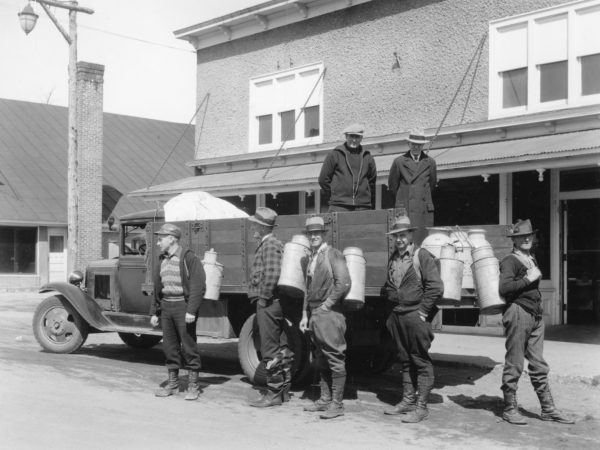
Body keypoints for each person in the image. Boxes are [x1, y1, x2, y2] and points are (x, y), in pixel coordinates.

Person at [499, 219, 574, 425]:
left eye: (529, 235)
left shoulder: (531, 258)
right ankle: (509, 408)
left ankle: (548, 409)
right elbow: (504, 288)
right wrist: (529, 279)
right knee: (515, 362)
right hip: (518, 312)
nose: (526, 239)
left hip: (535, 314)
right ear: (514, 240)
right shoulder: (510, 261)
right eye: (521, 236)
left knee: (539, 363)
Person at [382, 215, 442, 423]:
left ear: (410, 235)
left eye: (403, 235)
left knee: (420, 360)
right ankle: (407, 400)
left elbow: (435, 287)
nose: (399, 239)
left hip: (416, 315)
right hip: (398, 315)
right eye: (396, 235)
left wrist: (423, 311)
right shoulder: (394, 258)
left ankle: (421, 407)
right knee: (405, 360)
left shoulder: (421, 255)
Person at [299, 216, 351, 419]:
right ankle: (324, 400)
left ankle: (336, 404)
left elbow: (344, 283)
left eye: (317, 233)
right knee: (321, 357)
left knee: (335, 358)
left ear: (323, 235)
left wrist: (327, 305)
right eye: (310, 234)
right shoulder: (312, 257)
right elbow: (307, 288)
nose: (313, 236)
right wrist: (305, 313)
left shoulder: (333, 254)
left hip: (329, 314)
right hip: (315, 314)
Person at [150, 223, 205, 400]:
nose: (158, 243)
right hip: (166, 306)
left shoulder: (189, 258)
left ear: (172, 239)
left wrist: (191, 310)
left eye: (161, 239)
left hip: (183, 306)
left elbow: (198, 286)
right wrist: (154, 312)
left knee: (189, 347)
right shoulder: (162, 259)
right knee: (169, 347)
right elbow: (157, 286)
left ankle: (193, 386)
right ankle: (173, 384)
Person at [247, 207, 293, 407]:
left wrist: (263, 298)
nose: (253, 228)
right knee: (281, 347)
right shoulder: (269, 243)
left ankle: (273, 394)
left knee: (270, 349)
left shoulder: (270, 244)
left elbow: (272, 273)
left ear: (262, 227)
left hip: (269, 303)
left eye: (255, 225)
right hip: (274, 303)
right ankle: (283, 392)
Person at [387, 128, 437, 245]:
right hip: (406, 208)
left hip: (423, 209)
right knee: (405, 241)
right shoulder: (399, 162)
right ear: (409, 144)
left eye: (419, 145)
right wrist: (402, 200)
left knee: (424, 243)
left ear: (423, 145)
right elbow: (392, 186)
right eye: (414, 144)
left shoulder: (430, 162)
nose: (416, 147)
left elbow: (432, 185)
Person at [318, 123, 377, 212]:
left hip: (363, 206)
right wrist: (334, 195)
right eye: (351, 137)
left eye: (357, 137)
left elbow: (372, 181)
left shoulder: (368, 157)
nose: (354, 140)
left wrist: (366, 198)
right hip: (339, 206)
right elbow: (323, 179)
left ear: (361, 138)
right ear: (346, 137)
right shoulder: (334, 155)